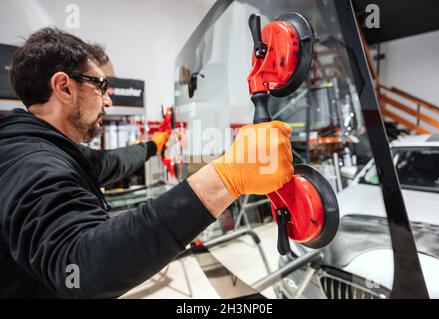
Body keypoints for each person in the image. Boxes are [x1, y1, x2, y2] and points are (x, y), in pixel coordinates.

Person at [0, 28, 294, 298]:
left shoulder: (48, 148)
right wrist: (228, 177)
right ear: (63, 87)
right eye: (100, 85)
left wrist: (155, 143)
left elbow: (109, 163)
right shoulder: (32, 162)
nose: (107, 101)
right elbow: (78, 266)